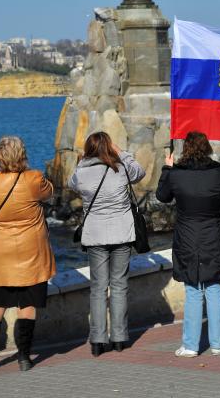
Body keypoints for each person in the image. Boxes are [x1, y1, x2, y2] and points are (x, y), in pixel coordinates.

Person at [156, 131, 220, 357]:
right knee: (213, 288)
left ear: (186, 148)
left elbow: (162, 197)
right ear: (207, 148)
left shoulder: (176, 174)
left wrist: (167, 168)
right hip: (213, 235)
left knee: (193, 289)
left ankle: (191, 345)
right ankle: (217, 344)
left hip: (186, 237)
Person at [0, 135, 56, 373]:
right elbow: (49, 191)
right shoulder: (33, 178)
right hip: (31, 251)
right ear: (23, 155)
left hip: (0, 252)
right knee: (27, 304)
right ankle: (23, 357)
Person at [68, 131, 145, 357]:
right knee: (119, 286)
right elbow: (139, 172)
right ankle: (120, 338)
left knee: (98, 288)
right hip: (122, 234)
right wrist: (122, 152)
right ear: (109, 148)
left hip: (95, 236)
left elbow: (71, 183)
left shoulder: (82, 173)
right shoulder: (120, 169)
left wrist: (82, 161)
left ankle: (98, 340)